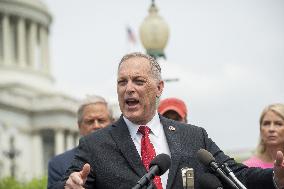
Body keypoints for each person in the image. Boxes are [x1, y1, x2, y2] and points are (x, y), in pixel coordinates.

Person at [53, 52, 284, 189]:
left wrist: (276, 177)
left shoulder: (193, 137)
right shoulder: (95, 144)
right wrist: (69, 185)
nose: (129, 89)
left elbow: (236, 174)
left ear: (159, 88)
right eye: (122, 82)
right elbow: (71, 181)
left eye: (138, 81)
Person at [47, 95, 114, 189]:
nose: (96, 126)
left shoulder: (125, 155)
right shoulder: (58, 164)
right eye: (90, 121)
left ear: (112, 123)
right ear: (79, 126)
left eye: (101, 120)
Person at [243, 103, 284, 168]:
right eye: (266, 123)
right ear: (260, 129)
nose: (271, 129)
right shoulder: (248, 168)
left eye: (278, 124)